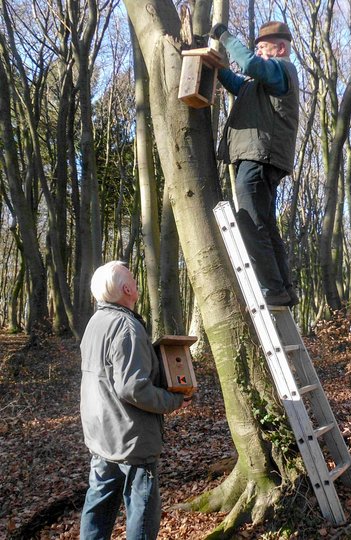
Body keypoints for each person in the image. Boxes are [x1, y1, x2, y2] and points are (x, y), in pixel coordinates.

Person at [79, 261, 188, 540]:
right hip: (130, 437)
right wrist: (172, 400)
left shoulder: (96, 322)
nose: (137, 283)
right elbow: (133, 388)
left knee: (99, 503)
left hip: (101, 433)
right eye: (133, 279)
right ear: (127, 288)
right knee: (141, 509)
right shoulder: (126, 327)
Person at [210, 20, 300, 307]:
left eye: (262, 48)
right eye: (257, 48)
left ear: (280, 48)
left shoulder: (280, 69)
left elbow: (249, 65)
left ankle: (271, 288)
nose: (258, 52)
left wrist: (223, 35)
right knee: (265, 225)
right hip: (260, 155)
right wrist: (214, 65)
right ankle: (282, 287)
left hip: (260, 155)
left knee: (250, 221)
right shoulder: (262, 83)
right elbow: (239, 83)